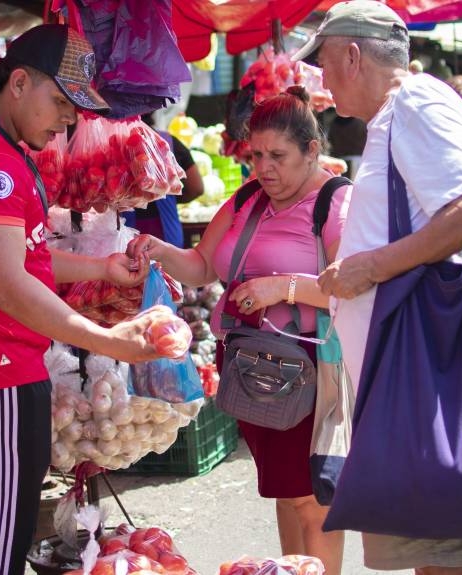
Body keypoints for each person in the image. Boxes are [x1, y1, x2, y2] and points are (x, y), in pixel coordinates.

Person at [0, 24, 163, 575]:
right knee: (0, 538)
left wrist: (99, 267)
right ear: (20, 81)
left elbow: (24, 257)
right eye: (59, 101)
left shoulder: (0, 146)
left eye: (74, 107)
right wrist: (104, 340)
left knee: (3, 523)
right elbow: (4, 283)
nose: (68, 119)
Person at [295, 1, 462, 572]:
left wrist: (369, 267)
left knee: (438, 553)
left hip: (423, 378)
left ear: (353, 56)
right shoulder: (399, 113)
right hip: (405, 378)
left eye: (325, 65)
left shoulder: (416, 102)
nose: (322, 81)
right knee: (424, 551)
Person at [126, 86, 352, 575]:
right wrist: (158, 250)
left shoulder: (336, 203)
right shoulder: (250, 196)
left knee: (312, 501)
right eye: (256, 156)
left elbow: (356, 288)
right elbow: (204, 265)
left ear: (312, 150)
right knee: (285, 493)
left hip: (306, 371)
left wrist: (281, 288)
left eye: (278, 156)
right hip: (251, 368)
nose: (264, 168)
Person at [122, 116, 204, 248]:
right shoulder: (167, 141)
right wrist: (169, 195)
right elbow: (197, 188)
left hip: (126, 234)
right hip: (167, 234)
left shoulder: (113, 143)